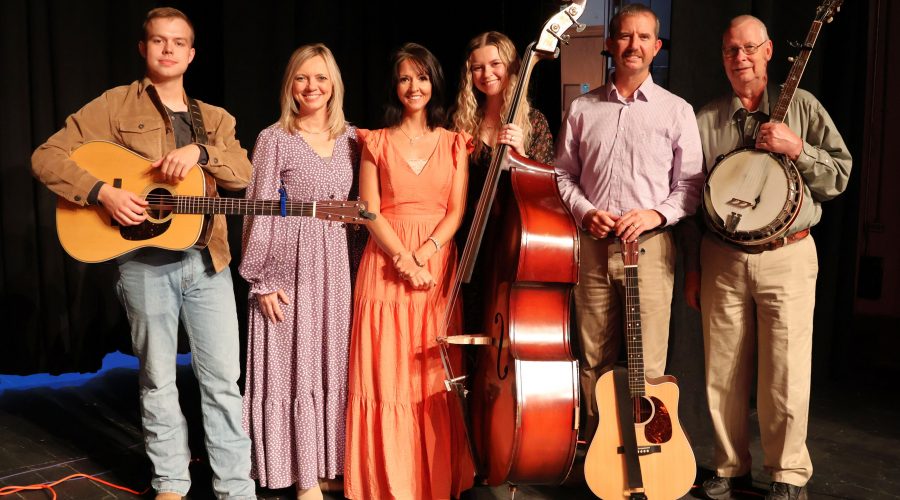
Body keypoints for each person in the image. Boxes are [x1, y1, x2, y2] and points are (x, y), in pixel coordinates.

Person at [30, 8, 255, 500]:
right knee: (157, 379)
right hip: (143, 263)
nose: (168, 49)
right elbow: (46, 157)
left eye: (179, 42)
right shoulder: (114, 105)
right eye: (159, 40)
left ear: (192, 54)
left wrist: (201, 153)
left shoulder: (215, 119)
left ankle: (236, 488)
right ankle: (171, 482)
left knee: (223, 380)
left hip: (208, 263)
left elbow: (242, 174)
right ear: (143, 47)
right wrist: (101, 193)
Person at [687, 15, 851, 500]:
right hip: (722, 257)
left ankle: (787, 474)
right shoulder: (705, 119)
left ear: (769, 50)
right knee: (722, 370)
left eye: (748, 48)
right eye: (730, 50)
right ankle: (729, 466)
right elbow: (692, 199)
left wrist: (797, 148)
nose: (740, 58)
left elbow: (839, 175)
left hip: (788, 254)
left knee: (786, 370)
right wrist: (693, 268)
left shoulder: (803, 106)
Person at [554, 3, 704, 441]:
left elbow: (691, 185)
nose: (633, 45)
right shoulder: (582, 108)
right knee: (593, 361)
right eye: (624, 36)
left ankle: (647, 456)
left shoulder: (676, 111)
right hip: (593, 248)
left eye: (643, 37)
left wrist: (656, 213)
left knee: (649, 366)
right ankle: (599, 451)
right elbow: (562, 174)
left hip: (651, 249)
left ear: (657, 47)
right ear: (609, 43)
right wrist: (585, 211)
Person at [343, 42, 474, 499]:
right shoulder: (375, 141)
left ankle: (429, 480)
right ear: (394, 86)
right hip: (385, 264)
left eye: (421, 77)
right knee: (385, 372)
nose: (413, 86)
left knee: (430, 375)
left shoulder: (455, 142)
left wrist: (424, 254)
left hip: (436, 265)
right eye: (404, 78)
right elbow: (369, 210)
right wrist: (403, 257)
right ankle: (387, 482)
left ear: (433, 82)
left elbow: (456, 212)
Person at [239, 44, 359, 500]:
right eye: (302, 78)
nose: (312, 87)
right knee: (292, 369)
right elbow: (259, 210)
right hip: (286, 268)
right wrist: (262, 280)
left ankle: (328, 466)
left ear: (334, 85)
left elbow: (361, 208)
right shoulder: (274, 138)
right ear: (290, 86)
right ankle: (302, 476)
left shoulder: (352, 138)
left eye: (321, 78)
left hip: (335, 270)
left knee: (330, 365)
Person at [451, 30, 555, 333]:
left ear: (511, 67)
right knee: (468, 318)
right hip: (468, 236)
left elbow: (548, 190)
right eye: (477, 67)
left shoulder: (534, 123)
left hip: (514, 238)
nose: (487, 74)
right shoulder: (459, 122)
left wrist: (522, 153)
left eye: (495, 64)